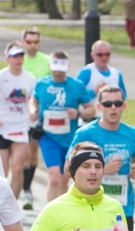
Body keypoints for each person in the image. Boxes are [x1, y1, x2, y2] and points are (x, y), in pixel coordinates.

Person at [73, 85, 135, 229]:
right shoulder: (85, 134)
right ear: (99, 106)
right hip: (92, 202)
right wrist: (103, 169)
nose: (113, 107)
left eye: (117, 104)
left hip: (123, 204)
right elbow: (69, 167)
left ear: (123, 106)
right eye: (107, 104)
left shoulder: (133, 134)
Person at [32, 51, 94, 202]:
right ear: (49, 66)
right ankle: (50, 215)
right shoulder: (41, 83)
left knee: (64, 179)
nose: (58, 72)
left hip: (69, 138)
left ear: (68, 67)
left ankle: (62, 213)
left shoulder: (76, 86)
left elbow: (91, 109)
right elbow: (33, 100)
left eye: (62, 68)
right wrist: (33, 110)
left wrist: (78, 112)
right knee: (54, 177)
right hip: (48, 136)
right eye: (55, 67)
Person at [0, 42, 36, 203]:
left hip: (20, 126)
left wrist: (32, 111)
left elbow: (32, 100)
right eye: (15, 56)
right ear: (8, 59)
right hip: (1, 128)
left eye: (21, 56)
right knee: (1, 171)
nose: (19, 59)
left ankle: (12, 204)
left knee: (17, 168)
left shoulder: (30, 79)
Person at [18, 26, 49, 210]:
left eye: (35, 42)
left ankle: (27, 189)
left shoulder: (46, 61)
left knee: (32, 152)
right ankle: (24, 188)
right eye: (29, 42)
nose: (32, 45)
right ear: (23, 42)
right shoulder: (18, 59)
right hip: (19, 114)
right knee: (22, 155)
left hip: (39, 115)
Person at [76, 40, 126, 112]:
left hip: (111, 121)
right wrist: (94, 91)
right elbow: (76, 95)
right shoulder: (86, 72)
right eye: (100, 54)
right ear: (92, 55)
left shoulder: (117, 74)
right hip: (89, 120)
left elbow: (123, 97)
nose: (104, 57)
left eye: (107, 54)